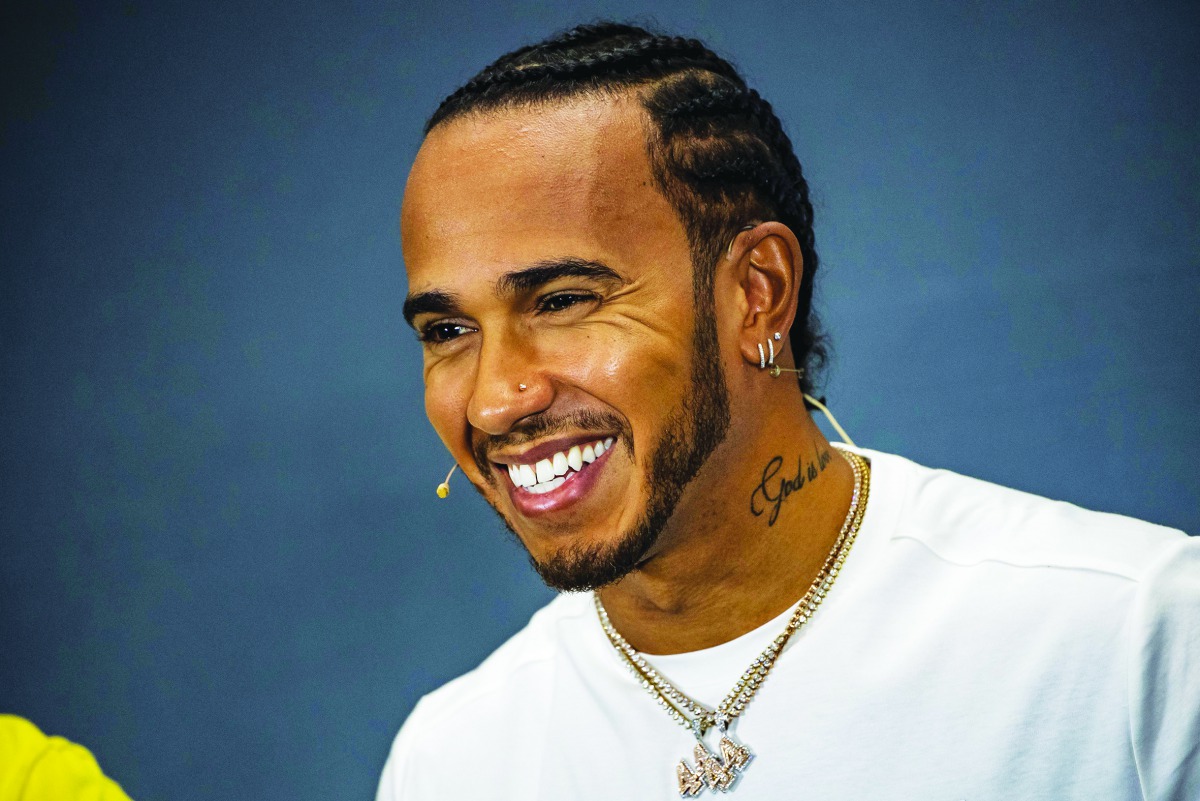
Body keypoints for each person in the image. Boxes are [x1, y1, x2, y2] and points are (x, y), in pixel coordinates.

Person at [377, 22, 1198, 800]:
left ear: (756, 291)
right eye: (448, 330)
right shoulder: (452, 758)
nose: (491, 399)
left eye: (563, 300)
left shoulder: (1139, 643)